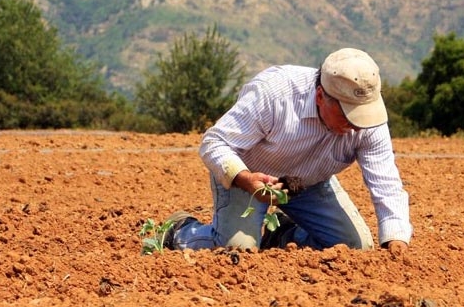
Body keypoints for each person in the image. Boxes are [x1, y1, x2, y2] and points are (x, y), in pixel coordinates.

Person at [162, 47, 412, 254]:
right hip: (249, 178)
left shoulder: (369, 120)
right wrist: (246, 179)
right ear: (320, 97)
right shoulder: (274, 93)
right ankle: (181, 231)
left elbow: (386, 182)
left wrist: (396, 239)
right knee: (237, 250)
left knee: (355, 247)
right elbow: (214, 143)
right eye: (347, 115)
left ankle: (283, 235)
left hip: (308, 183)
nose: (357, 124)